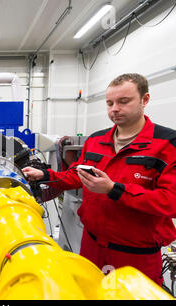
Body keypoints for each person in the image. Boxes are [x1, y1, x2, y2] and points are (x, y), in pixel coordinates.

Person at [22, 73, 176, 286]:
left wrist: (114, 189)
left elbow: (171, 202)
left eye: (124, 101)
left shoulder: (168, 144)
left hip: (136, 255)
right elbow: (77, 175)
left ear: (145, 100)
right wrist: (46, 175)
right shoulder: (96, 140)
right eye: (110, 103)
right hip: (91, 246)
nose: (115, 109)